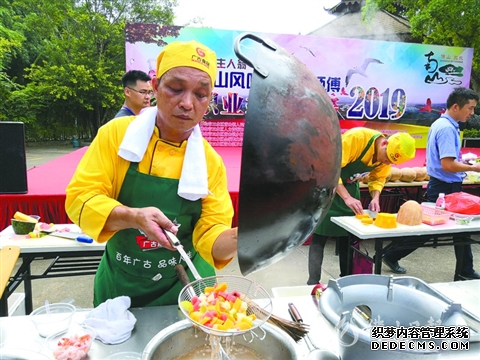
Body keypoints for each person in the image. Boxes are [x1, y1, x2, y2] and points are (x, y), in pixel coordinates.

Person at [66, 40, 237, 307]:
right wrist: (133, 216)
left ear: (209, 100)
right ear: (155, 87)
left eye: (201, 95)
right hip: (123, 282)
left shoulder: (210, 161)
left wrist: (247, 237)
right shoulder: (117, 136)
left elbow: (211, 233)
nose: (187, 104)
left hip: (190, 290)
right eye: (176, 89)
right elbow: (80, 199)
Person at [382, 87, 480, 280]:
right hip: (445, 187)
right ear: (455, 106)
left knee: (459, 230)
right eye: (470, 108)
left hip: (444, 185)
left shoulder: (444, 124)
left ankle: (464, 271)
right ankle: (389, 254)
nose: (472, 113)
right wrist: (475, 168)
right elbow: (448, 164)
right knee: (432, 229)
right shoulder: (446, 128)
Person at [307, 128, 416, 284]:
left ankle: (345, 280)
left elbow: (378, 178)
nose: (386, 163)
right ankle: (313, 282)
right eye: (386, 158)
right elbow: (331, 169)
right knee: (319, 236)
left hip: (350, 188)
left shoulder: (387, 155)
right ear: (384, 143)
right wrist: (347, 198)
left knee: (347, 237)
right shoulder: (356, 138)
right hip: (328, 187)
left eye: (390, 162)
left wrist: (375, 198)